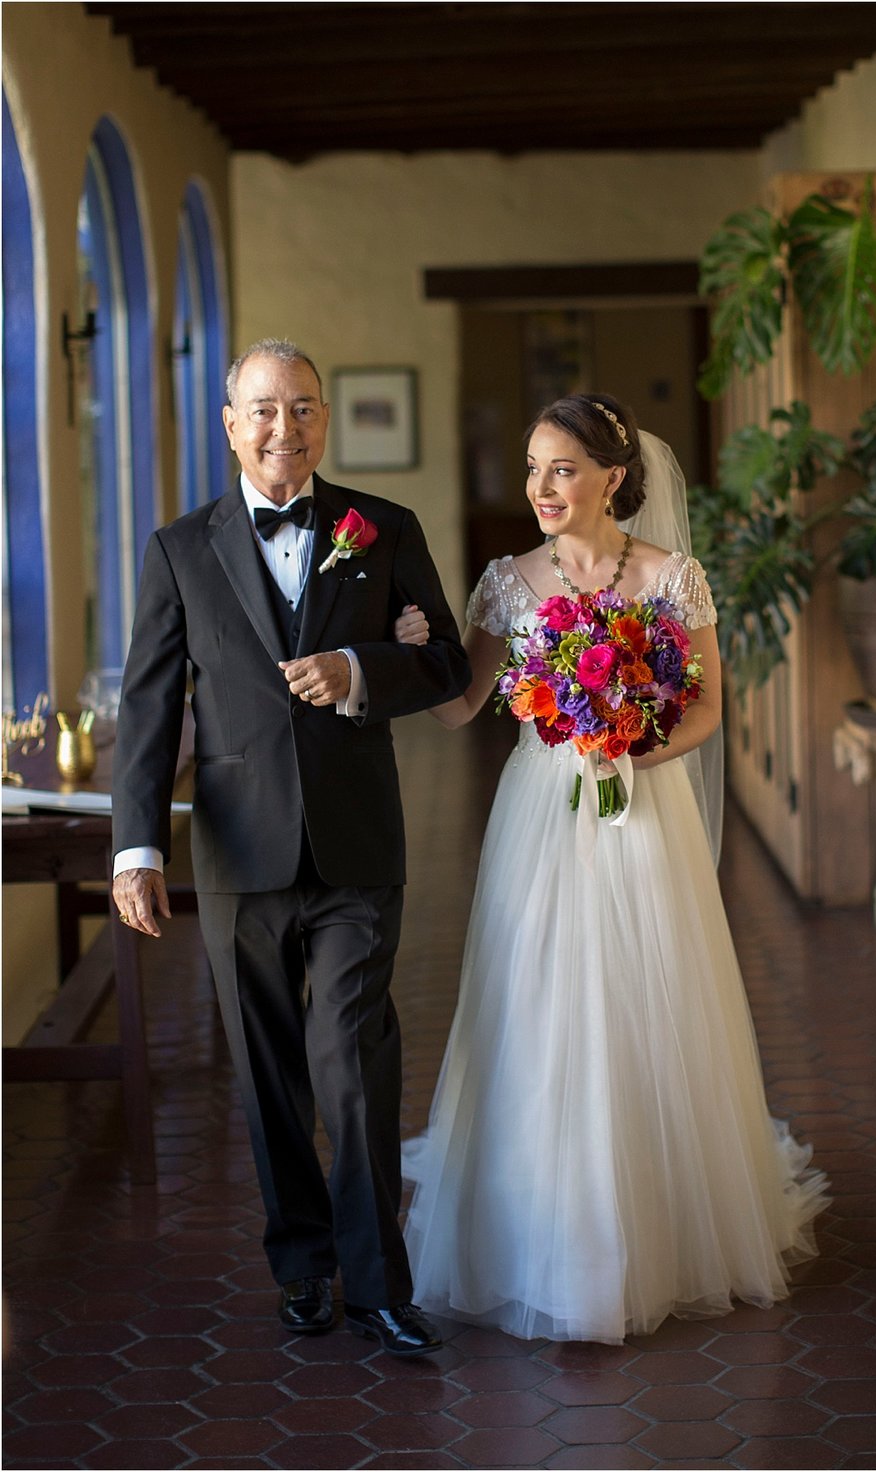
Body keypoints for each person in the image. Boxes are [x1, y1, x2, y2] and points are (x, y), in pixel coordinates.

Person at [393, 392, 828, 1344]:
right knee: (538, 995)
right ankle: (543, 1222)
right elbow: (463, 709)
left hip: (642, 805)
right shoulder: (507, 582)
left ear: (613, 479)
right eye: (534, 468)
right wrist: (406, 654)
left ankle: (663, 1224)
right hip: (541, 812)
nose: (542, 487)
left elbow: (707, 712)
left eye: (563, 469)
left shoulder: (672, 578)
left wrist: (627, 751)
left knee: (650, 995)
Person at [111, 338, 470, 1355]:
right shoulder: (179, 547)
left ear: (325, 417)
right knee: (268, 1068)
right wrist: (135, 845)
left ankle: (377, 1281)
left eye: (304, 407)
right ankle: (302, 1263)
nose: (285, 428)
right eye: (264, 409)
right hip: (237, 848)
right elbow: (148, 705)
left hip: (358, 838)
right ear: (231, 423)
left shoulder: (382, 528)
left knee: (350, 1056)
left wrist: (361, 672)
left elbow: (441, 661)